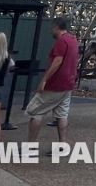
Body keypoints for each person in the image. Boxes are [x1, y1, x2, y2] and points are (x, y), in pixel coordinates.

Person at [26, 18, 79, 150]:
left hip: (55, 84)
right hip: (68, 84)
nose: (51, 31)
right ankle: (62, 144)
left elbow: (57, 61)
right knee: (62, 114)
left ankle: (31, 145)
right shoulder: (73, 40)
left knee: (36, 112)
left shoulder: (61, 41)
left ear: (56, 27)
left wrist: (44, 80)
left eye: (52, 29)